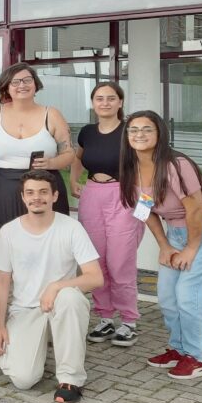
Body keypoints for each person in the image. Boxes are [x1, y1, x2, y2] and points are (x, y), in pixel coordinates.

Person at [120, 111, 202, 379]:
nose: (139, 134)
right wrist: (164, 245)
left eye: (147, 129)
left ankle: (197, 358)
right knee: (168, 296)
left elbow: (194, 209)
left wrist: (191, 249)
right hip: (175, 234)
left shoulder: (176, 165)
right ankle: (179, 348)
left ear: (160, 133)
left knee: (188, 295)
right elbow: (144, 210)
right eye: (133, 129)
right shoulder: (131, 168)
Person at [0, 169, 102, 403]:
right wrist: (0, 326)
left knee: (70, 297)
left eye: (43, 192)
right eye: (30, 193)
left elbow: (95, 277)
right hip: (26, 311)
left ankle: (70, 379)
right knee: (23, 379)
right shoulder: (9, 232)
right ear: (22, 197)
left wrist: (57, 286)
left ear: (55, 196)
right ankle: (42, 345)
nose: (36, 197)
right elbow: (1, 281)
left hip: (58, 306)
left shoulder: (71, 228)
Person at [70, 82, 145, 347]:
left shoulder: (130, 130)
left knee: (120, 262)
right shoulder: (87, 132)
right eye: (99, 98)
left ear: (120, 102)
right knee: (95, 261)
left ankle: (128, 320)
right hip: (92, 195)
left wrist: (144, 205)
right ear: (93, 103)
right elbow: (78, 158)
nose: (105, 103)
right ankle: (104, 317)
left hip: (124, 195)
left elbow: (147, 163)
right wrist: (73, 180)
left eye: (111, 98)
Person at [0, 63, 74, 262]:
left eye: (27, 80)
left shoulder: (52, 114)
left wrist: (51, 163)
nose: (21, 85)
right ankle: (6, 291)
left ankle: (49, 291)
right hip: (3, 187)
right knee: (5, 250)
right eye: (15, 81)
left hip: (45, 183)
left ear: (35, 84)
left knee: (49, 248)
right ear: (6, 86)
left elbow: (69, 153)